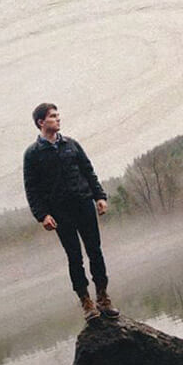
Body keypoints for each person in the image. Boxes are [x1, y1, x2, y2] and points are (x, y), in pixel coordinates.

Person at [23, 103, 120, 322]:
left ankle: (103, 299)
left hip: (84, 204)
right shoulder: (32, 154)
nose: (58, 119)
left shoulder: (71, 145)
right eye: (53, 116)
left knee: (95, 251)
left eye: (58, 115)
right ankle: (87, 303)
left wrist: (100, 197)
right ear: (41, 122)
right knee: (74, 257)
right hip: (60, 213)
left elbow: (88, 171)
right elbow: (32, 188)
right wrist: (42, 215)